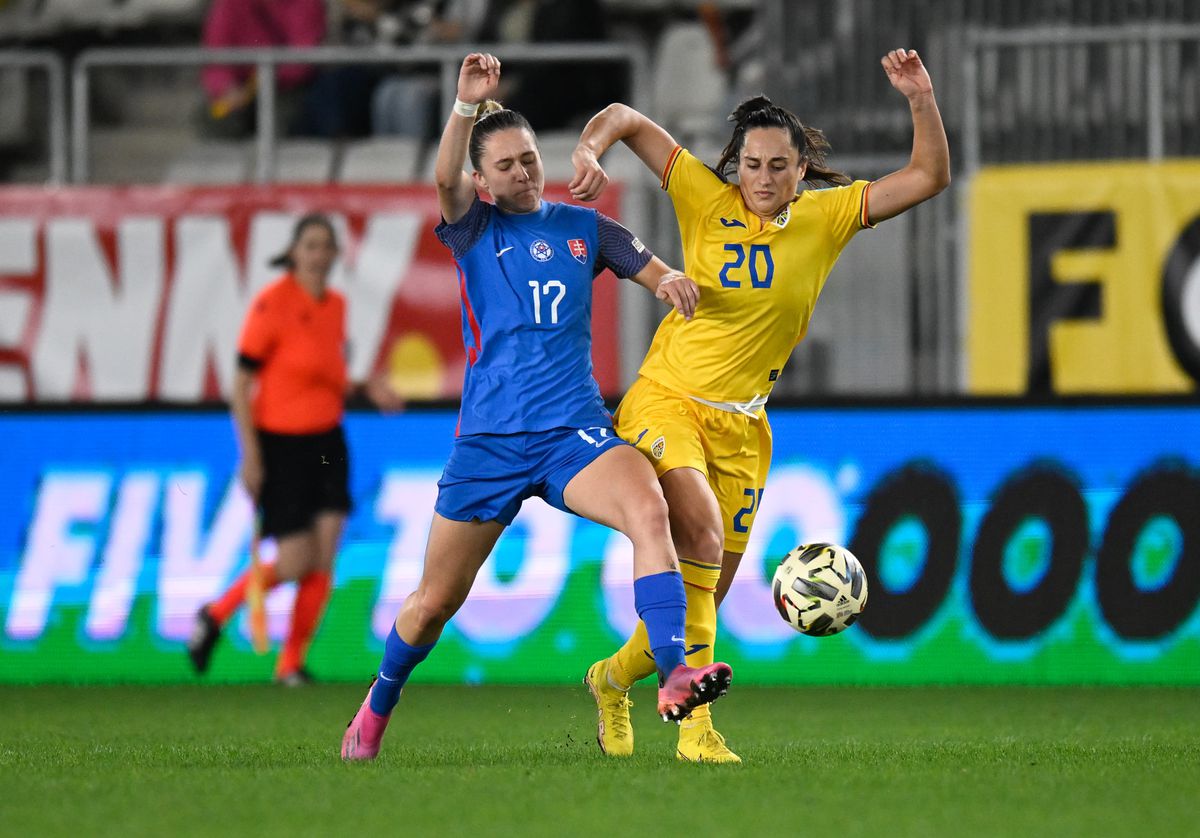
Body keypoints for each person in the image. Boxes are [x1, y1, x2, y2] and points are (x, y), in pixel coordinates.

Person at [341, 53, 730, 761]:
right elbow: (440, 177)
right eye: (507, 165)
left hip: (574, 436)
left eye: (529, 159)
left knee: (649, 510)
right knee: (433, 604)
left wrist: (671, 280)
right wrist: (465, 107)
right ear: (482, 180)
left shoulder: (585, 229)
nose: (523, 172)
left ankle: (674, 673)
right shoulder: (473, 229)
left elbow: (651, 265)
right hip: (488, 445)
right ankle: (377, 705)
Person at [569, 48, 951, 763]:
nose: (764, 178)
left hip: (744, 427)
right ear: (734, 166)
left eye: (779, 165)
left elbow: (930, 176)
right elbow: (622, 117)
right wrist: (590, 150)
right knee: (703, 541)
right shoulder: (700, 196)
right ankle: (697, 734)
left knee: (694, 604)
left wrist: (920, 98)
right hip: (668, 399)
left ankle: (611, 680)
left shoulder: (827, 217)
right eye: (751, 164)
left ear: (801, 169)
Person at [186, 214, 403, 685]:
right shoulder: (271, 305)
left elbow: (328, 378)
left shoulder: (336, 306)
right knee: (294, 561)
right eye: (310, 245)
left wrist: (367, 387)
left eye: (327, 246)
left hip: (327, 442)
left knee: (325, 557)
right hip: (280, 445)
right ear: (295, 252)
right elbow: (241, 384)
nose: (319, 254)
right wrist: (251, 456)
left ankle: (290, 666)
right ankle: (216, 613)